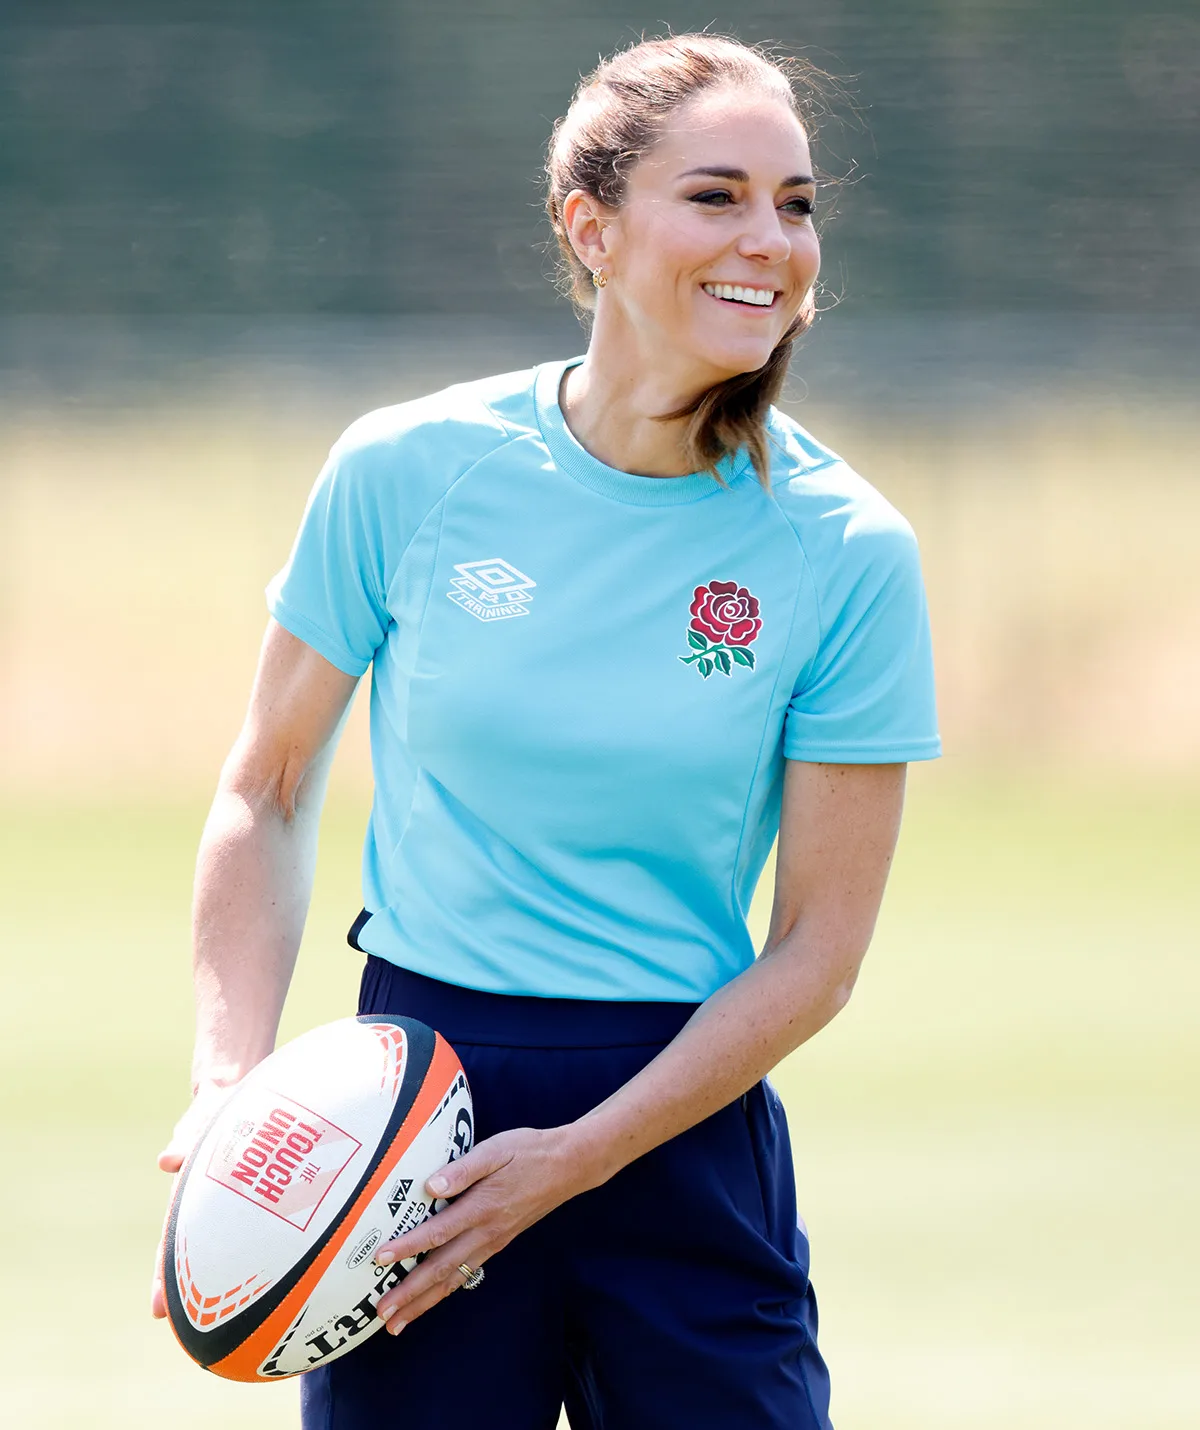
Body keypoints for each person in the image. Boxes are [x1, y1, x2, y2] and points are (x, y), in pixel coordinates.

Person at [152, 32, 940, 1430]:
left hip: (680, 1124)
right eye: (718, 195)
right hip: (407, 1120)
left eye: (797, 202)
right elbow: (267, 789)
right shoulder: (407, 469)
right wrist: (231, 1080)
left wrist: (575, 1156)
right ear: (592, 226)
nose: (773, 239)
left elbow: (817, 954)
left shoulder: (847, 548)